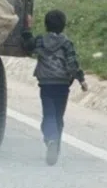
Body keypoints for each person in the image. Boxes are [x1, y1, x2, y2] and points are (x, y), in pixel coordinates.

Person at [22, 10, 88, 166]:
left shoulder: (40, 41)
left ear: (46, 25)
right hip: (63, 85)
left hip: (46, 84)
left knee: (49, 114)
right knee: (58, 116)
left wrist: (27, 29)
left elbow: (28, 46)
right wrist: (81, 79)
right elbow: (72, 64)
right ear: (63, 26)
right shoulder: (67, 43)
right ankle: (56, 144)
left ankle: (51, 138)